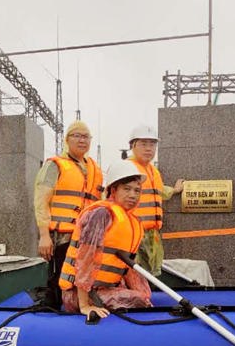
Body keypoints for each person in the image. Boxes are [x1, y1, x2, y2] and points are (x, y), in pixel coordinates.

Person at [58, 159, 152, 319]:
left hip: (105, 287)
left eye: (137, 190)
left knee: (144, 295)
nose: (133, 195)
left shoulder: (132, 221)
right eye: (127, 189)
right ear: (113, 190)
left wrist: (145, 295)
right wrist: (85, 305)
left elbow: (128, 266)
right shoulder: (101, 214)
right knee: (139, 299)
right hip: (80, 293)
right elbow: (85, 259)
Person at [33, 120, 103, 307]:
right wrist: (44, 236)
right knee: (58, 280)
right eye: (77, 136)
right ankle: (52, 315)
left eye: (86, 136)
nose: (82, 140)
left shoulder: (95, 169)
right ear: (67, 139)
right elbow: (41, 201)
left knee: (83, 279)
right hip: (61, 238)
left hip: (87, 238)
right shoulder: (55, 165)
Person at [126, 124, 185, 276]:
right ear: (133, 145)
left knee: (151, 274)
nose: (148, 148)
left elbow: (158, 191)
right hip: (133, 233)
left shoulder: (153, 171)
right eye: (144, 144)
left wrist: (175, 190)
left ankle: (147, 299)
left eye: (152, 144)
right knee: (134, 274)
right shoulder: (126, 168)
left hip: (152, 234)